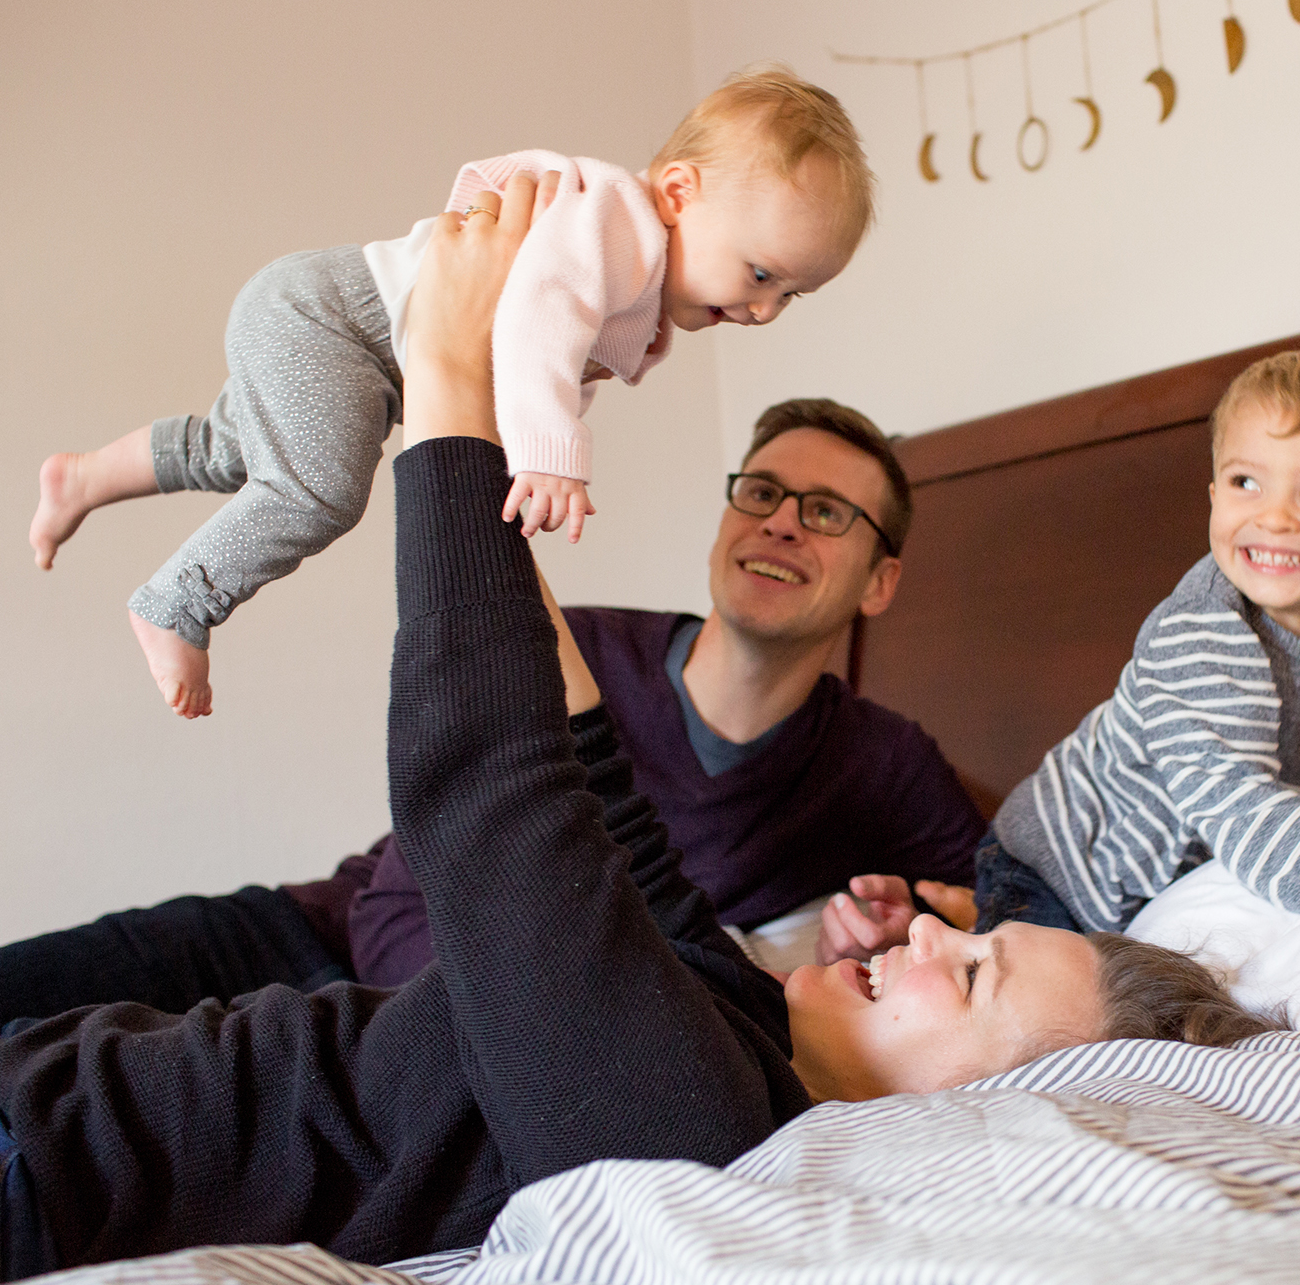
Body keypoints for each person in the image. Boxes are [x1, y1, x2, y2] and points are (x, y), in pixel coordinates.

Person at [0, 172, 1281, 1285]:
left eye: (965, 980)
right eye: (763, 495)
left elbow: (498, 800)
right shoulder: (727, 1013)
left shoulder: (687, 1112)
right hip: (46, 1082)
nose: (919, 942)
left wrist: (448, 386)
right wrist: (493, 376)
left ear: (965, 1119)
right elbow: (592, 791)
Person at [27, 67, 873, 719]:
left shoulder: (641, 273)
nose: (763, 308)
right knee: (318, 492)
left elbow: (537, 362)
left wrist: (519, 450)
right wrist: (551, 458)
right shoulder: (620, 225)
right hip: (333, 319)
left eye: (789, 293)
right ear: (682, 192)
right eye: (760, 272)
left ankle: (86, 476)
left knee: (234, 450)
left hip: (330, 329)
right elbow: (538, 322)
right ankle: (176, 601)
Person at [819, 348, 1300, 956]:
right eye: (1246, 482)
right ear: (1213, 500)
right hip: (1060, 861)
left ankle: (964, 919)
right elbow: (1235, 798)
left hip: (1154, 892)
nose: (1274, 516)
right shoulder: (1200, 627)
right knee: (1034, 1008)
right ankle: (967, 928)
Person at [347, 396, 985, 983]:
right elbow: (397, 913)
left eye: (825, 512)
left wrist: (908, 943)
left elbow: (1001, 908)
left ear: (880, 582)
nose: (781, 524)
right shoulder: (568, 651)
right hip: (332, 933)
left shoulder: (881, 765)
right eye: (761, 493)